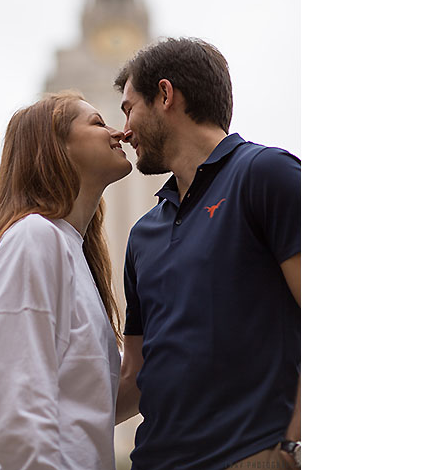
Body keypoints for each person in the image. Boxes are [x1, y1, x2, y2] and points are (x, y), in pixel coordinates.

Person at [112, 37, 302, 469]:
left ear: (164, 95)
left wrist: (291, 448)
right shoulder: (144, 235)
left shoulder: (266, 175)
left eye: (128, 108)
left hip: (251, 456)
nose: (123, 130)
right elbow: (135, 376)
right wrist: (36, 421)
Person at [0, 91, 133, 470]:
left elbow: (90, 400)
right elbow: (17, 409)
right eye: (97, 122)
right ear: (57, 147)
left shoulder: (73, 253)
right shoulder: (34, 237)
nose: (118, 133)